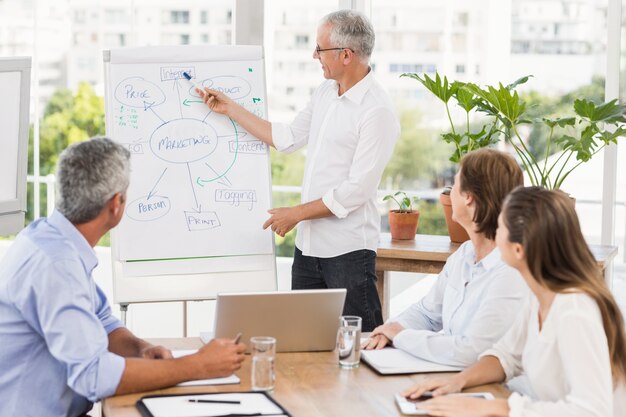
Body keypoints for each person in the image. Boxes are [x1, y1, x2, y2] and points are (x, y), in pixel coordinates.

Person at [0, 137, 246, 417]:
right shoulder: (57, 265)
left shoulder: (51, 238)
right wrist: (198, 366)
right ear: (116, 204)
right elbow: (93, 377)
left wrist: (141, 349)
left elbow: (102, 321)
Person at [197, 10, 400, 331]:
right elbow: (287, 138)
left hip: (348, 252)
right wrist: (230, 109)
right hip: (308, 250)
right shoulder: (325, 93)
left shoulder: (377, 111)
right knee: (306, 344)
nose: (314, 55)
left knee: (363, 346)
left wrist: (296, 214)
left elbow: (356, 191)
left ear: (346, 55)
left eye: (320, 49)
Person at [403, 186, 626, 417]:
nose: (493, 233)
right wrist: (456, 383)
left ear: (518, 249)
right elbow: (506, 357)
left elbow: (593, 411)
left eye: (500, 227)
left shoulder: (574, 310)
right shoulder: (540, 296)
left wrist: (498, 408)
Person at [364, 148, 527, 367]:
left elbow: (470, 352)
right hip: (453, 376)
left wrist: (401, 336)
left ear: (468, 198)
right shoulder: (464, 255)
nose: (447, 192)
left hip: (498, 391)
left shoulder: (511, 270)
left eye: (454, 185)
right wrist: (390, 330)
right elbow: (427, 313)